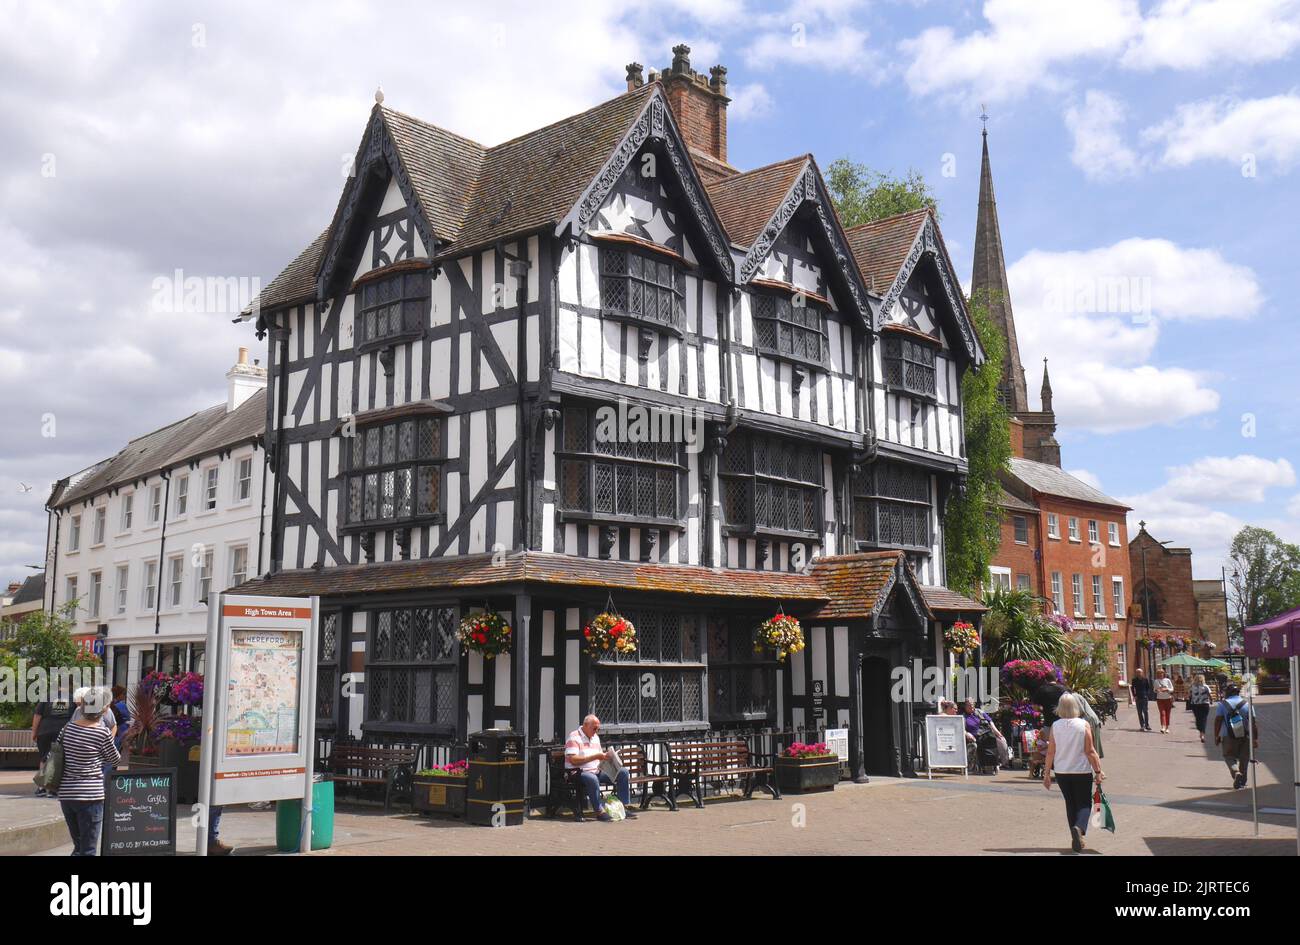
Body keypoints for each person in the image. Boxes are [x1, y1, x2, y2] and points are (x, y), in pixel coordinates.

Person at [57, 686, 121, 855]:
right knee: (88, 849)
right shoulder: (102, 732)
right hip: (90, 796)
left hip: (67, 794)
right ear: (104, 709)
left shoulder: (67, 729)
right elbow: (115, 759)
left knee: (79, 847)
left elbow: (53, 755)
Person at [1042, 692, 1105, 853]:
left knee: (1070, 803)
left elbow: (1050, 752)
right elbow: (1090, 751)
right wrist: (1098, 770)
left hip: (1062, 771)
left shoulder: (1056, 725)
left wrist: (1047, 773)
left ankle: (1076, 837)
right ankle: (1079, 828)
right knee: (1084, 803)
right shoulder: (1083, 724)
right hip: (1081, 770)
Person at [564, 714, 634, 821]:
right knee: (592, 778)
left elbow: (600, 756)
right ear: (586, 725)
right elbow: (573, 760)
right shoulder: (574, 737)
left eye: (598, 729)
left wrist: (608, 757)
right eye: (594, 728)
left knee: (623, 772)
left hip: (597, 770)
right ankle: (599, 811)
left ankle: (623, 807)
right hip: (578, 772)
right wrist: (596, 756)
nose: (596, 731)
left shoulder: (595, 737)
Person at [1213, 684, 1259, 789]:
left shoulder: (1222, 705)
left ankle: (1236, 772)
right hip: (1245, 736)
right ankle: (1242, 782)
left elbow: (1218, 721)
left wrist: (1216, 736)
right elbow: (1253, 723)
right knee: (1244, 759)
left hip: (1228, 736)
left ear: (1228, 693)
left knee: (1229, 756)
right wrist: (1255, 739)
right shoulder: (1247, 704)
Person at [31, 695, 74, 797]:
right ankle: (53, 788)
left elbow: (37, 716)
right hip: (63, 731)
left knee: (44, 758)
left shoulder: (47, 698)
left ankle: (42, 787)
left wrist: (34, 732)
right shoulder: (72, 699)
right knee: (60, 759)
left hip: (45, 731)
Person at [1187, 673, 1213, 743]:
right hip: (1205, 704)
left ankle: (1201, 732)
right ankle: (1202, 734)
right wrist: (1211, 700)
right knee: (1203, 719)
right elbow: (1209, 695)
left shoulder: (1192, 686)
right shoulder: (1206, 686)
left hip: (1195, 704)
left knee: (1198, 718)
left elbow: (1189, 695)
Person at [1153, 667, 1175, 733]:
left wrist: (1167, 689)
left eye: (1161, 673)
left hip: (1168, 699)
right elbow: (1154, 689)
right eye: (1159, 673)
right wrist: (1157, 690)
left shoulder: (1167, 680)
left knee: (1168, 713)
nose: (1160, 674)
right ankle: (1163, 727)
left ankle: (1167, 727)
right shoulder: (1156, 681)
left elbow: (1172, 689)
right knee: (1162, 713)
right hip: (1160, 699)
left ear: (1164, 674)